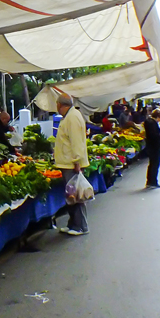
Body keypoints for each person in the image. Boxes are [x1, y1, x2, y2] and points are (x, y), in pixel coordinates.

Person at [53, 95, 89, 234]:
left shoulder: (73, 117)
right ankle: (73, 224)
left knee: (76, 196)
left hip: (71, 164)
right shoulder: (69, 116)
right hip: (67, 163)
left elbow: (76, 142)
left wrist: (77, 162)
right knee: (71, 196)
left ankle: (81, 226)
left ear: (60, 104)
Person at [143, 108, 160, 189]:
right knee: (155, 164)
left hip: (151, 145)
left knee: (152, 164)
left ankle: (151, 181)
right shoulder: (152, 123)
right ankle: (152, 181)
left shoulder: (149, 122)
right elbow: (154, 136)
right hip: (154, 146)